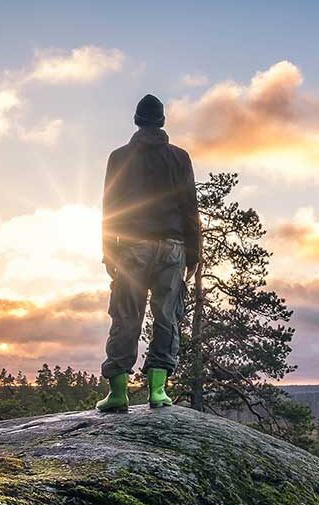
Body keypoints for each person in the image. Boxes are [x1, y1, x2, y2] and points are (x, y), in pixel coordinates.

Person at [95, 94, 202, 412]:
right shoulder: (180, 158)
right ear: (163, 121)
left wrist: (108, 253)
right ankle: (158, 391)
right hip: (172, 248)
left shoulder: (119, 158)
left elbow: (109, 209)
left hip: (130, 249)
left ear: (137, 121)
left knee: (126, 316)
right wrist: (194, 256)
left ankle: (118, 394)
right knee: (166, 317)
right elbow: (190, 210)